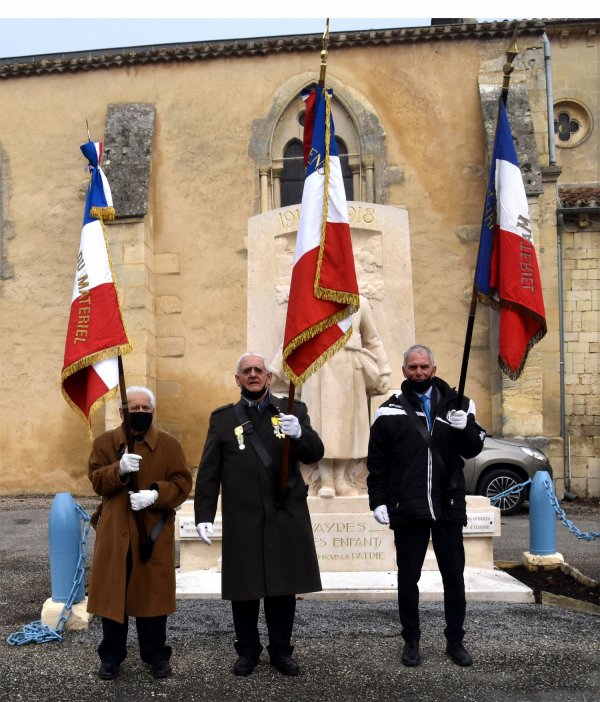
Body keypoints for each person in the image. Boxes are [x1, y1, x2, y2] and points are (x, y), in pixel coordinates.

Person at [194, 352, 323, 677]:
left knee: (283, 587)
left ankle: (281, 651)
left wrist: (299, 434)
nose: (253, 375)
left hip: (285, 514)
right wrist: (203, 514)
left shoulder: (294, 411)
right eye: (246, 371)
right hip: (243, 516)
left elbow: (314, 453)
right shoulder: (223, 419)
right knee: (245, 588)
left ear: (268, 377)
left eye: (259, 370)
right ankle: (248, 651)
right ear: (238, 379)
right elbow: (209, 471)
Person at [367, 344, 485, 668]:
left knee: (453, 577)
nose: (419, 372)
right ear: (404, 371)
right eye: (412, 367)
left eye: (424, 367)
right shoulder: (389, 410)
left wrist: (467, 427)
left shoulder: (459, 405)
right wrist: (377, 501)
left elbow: (473, 448)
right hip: (409, 505)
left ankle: (456, 641)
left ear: (433, 368)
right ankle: (411, 641)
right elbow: (377, 463)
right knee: (408, 578)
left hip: (447, 503)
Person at [87, 386, 192, 681]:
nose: (141, 413)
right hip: (115, 532)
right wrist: (117, 470)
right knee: (112, 598)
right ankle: (111, 657)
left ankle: (156, 655)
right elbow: (96, 480)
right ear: (123, 412)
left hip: (151, 534)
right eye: (135, 409)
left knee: (152, 599)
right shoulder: (106, 442)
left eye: (146, 409)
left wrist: (155, 494)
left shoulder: (169, 446)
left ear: (153, 412)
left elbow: (182, 483)